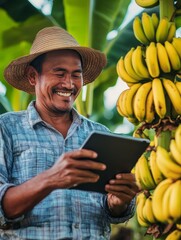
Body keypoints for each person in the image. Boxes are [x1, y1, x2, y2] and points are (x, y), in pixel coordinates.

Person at [0, 26, 139, 240]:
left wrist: (117, 203)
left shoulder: (100, 134)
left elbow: (115, 213)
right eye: (59, 73)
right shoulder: (7, 128)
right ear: (32, 77)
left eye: (76, 75)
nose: (69, 84)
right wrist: (52, 179)